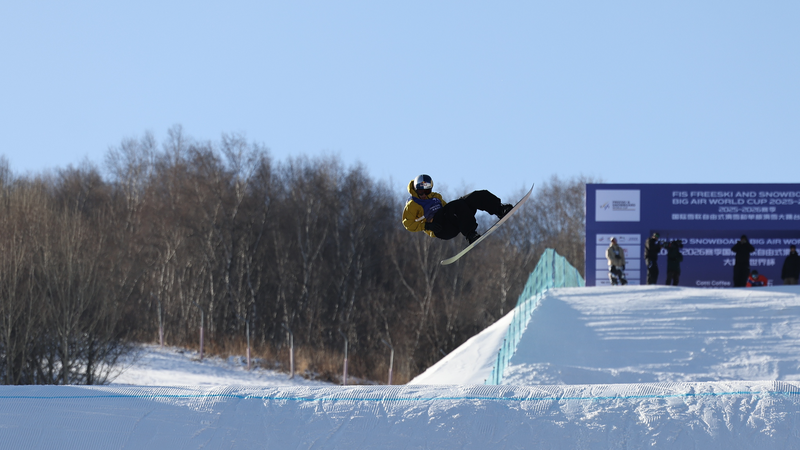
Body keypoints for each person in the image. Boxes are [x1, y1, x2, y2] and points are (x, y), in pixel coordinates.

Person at [401, 174, 513, 245]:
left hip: (450, 221)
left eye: (427, 191)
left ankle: (499, 209)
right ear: (416, 190)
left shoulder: (436, 197)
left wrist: (462, 213)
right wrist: (427, 226)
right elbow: (407, 224)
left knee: (474, 197)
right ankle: (470, 235)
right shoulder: (412, 204)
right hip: (440, 228)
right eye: (421, 192)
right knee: (457, 205)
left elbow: (448, 209)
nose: (424, 195)